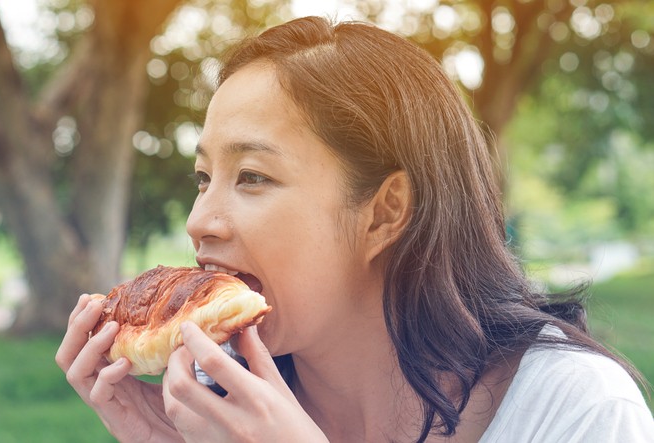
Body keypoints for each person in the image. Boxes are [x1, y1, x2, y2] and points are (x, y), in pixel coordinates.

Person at [56, 16, 654, 442]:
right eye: (203, 178)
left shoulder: (577, 412)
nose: (199, 222)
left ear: (386, 212)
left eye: (253, 176)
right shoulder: (214, 408)